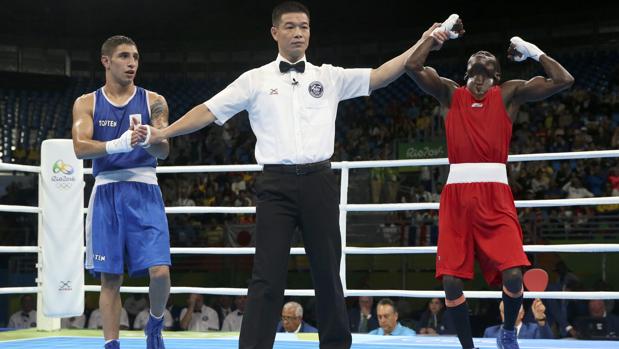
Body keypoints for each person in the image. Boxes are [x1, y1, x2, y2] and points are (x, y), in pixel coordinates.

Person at [138, 2, 437, 348]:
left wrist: (424, 40)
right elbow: (208, 109)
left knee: (328, 273)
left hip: (319, 182)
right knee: (267, 277)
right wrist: (165, 133)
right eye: (291, 26)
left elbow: (382, 73)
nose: (298, 32)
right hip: (275, 185)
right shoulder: (254, 79)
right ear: (275, 32)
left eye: (305, 27)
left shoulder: (329, 76)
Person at [405, 14, 574, 349]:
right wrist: (439, 33)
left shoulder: (509, 95)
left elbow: (563, 79)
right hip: (457, 195)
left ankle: (508, 331)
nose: (478, 78)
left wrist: (530, 50)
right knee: (451, 282)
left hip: (495, 194)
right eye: (473, 71)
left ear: (497, 77)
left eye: (486, 73)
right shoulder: (450, 94)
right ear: (465, 73)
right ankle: (468, 347)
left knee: (514, 275)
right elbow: (412, 65)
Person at [71, 35, 172, 349]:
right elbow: (79, 148)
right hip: (106, 194)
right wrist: (118, 143)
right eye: (125, 57)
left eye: (136, 57)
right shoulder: (86, 102)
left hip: (145, 192)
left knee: (159, 271)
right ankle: (111, 345)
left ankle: (154, 323)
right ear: (106, 61)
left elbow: (165, 150)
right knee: (110, 278)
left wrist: (148, 139)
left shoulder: (154, 100)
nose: (132, 64)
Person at [484, 299, 553, 339]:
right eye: (504, 312)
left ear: (522, 314)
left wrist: (540, 319)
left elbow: (548, 342)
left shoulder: (533, 330)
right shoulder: (490, 332)